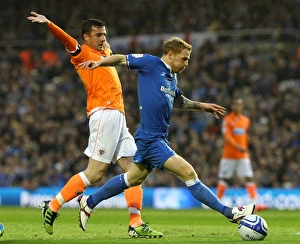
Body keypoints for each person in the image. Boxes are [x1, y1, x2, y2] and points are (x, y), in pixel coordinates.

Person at [77, 37, 256, 232]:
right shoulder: (151, 63)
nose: (186, 63)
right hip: (151, 138)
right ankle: (230, 213)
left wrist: (201, 106)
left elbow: (178, 101)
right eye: (184, 59)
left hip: (158, 137)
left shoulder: (172, 77)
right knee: (188, 173)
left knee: (132, 179)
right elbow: (121, 59)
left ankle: (89, 202)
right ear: (170, 54)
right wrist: (99, 62)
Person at [27, 12, 162, 238]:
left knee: (135, 171)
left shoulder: (104, 53)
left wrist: (105, 42)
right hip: (103, 113)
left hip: (118, 115)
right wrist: (50, 23)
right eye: (98, 35)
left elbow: (108, 47)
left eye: (104, 34)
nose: (102, 38)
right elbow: (67, 41)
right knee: (95, 173)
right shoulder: (82, 54)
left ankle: (135, 223)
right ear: (86, 38)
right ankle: (52, 207)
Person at [216, 98, 268, 211]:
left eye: (239, 104)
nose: (237, 106)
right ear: (232, 106)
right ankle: (217, 202)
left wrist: (246, 146)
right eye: (235, 104)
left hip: (243, 156)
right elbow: (227, 136)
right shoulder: (227, 120)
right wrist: (237, 146)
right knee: (225, 179)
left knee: (249, 177)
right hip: (229, 155)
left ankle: (255, 203)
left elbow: (245, 136)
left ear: (242, 106)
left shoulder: (245, 120)